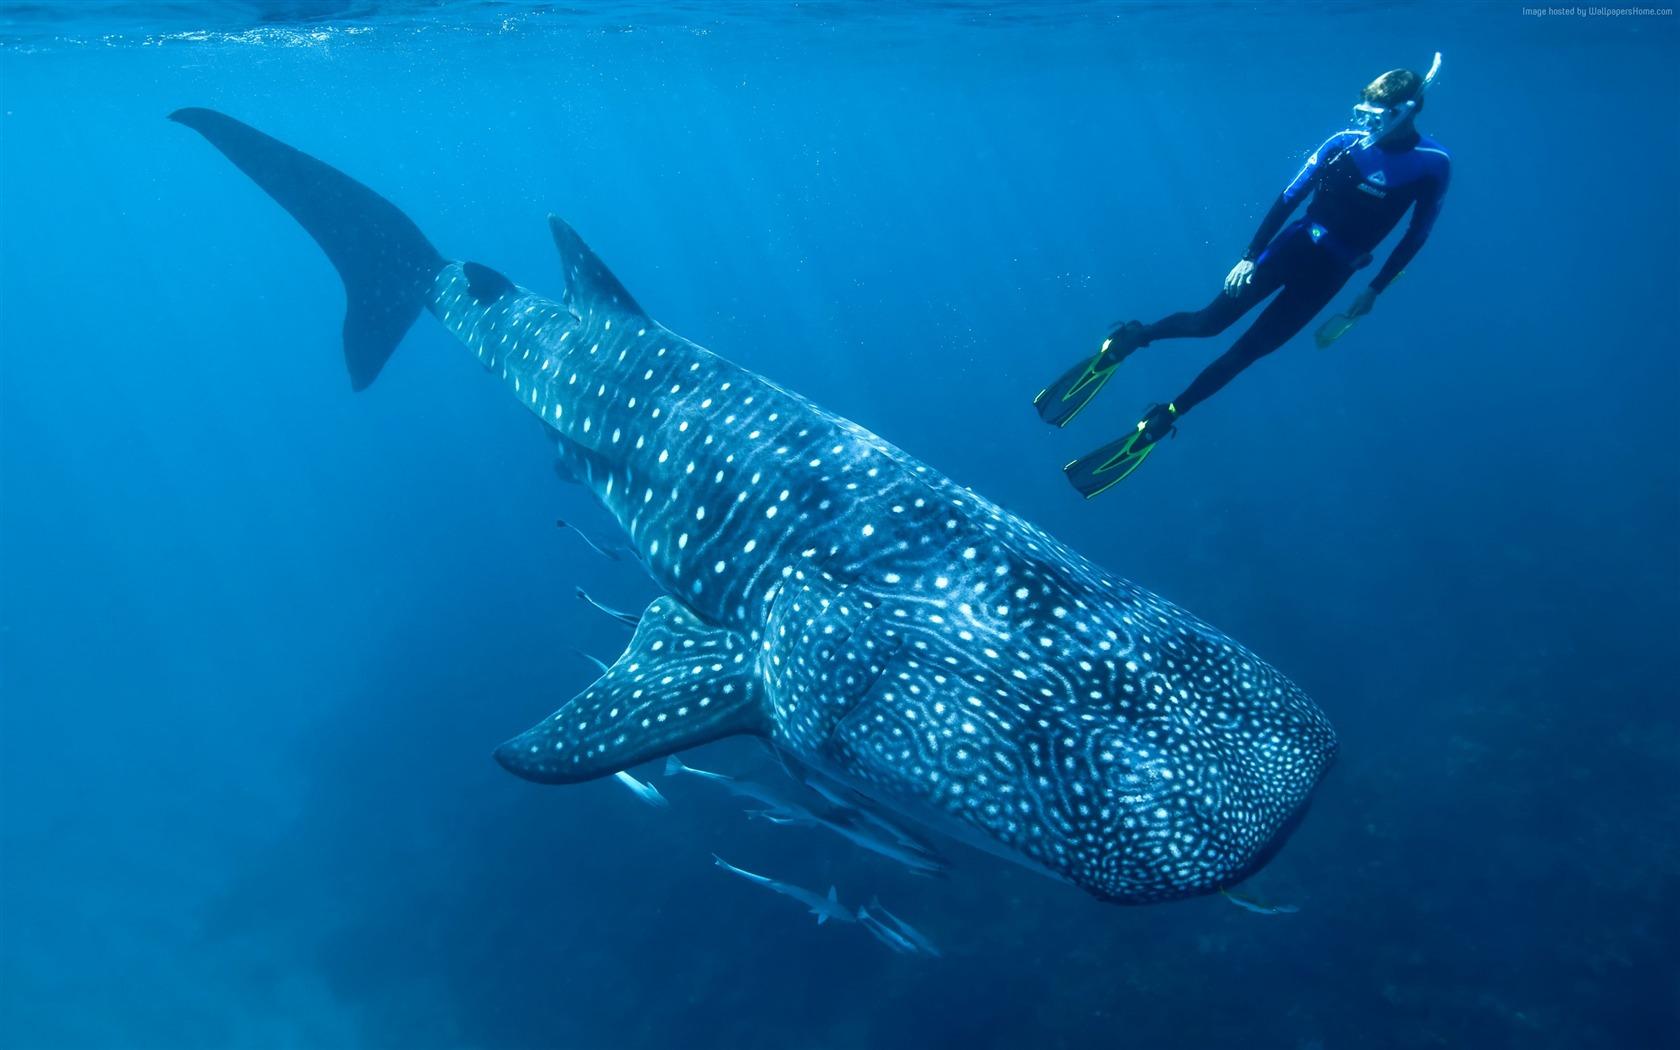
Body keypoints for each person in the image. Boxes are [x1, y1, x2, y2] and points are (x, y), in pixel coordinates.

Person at [1036, 55, 1451, 498]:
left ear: (1405, 111)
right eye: (1361, 112)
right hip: (1290, 249)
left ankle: (1166, 416)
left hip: (1333, 273)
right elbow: (1289, 197)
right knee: (1207, 324)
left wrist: (1374, 289)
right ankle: (1135, 338)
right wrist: (1249, 256)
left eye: (1376, 115)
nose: (1365, 123)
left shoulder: (1432, 164)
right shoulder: (1343, 144)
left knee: (1251, 350)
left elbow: (1416, 235)